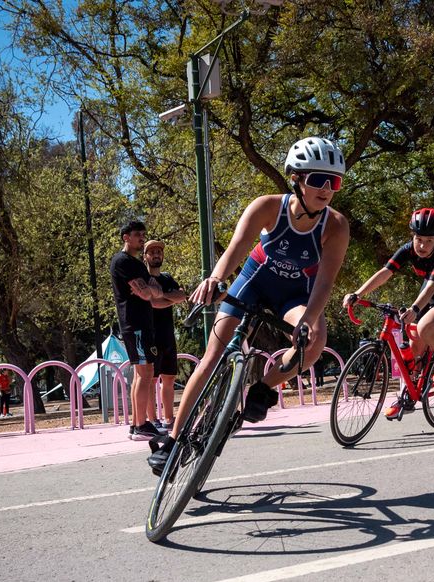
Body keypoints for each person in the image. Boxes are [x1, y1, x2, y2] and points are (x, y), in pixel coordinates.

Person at [147, 136, 350, 473]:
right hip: (253, 283)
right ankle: (173, 438)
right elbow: (235, 249)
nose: (326, 188)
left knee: (315, 340)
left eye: (335, 181)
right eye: (317, 179)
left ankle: (263, 389)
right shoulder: (268, 206)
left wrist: (308, 320)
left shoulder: (337, 226)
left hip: (295, 294)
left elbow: (325, 282)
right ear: (296, 178)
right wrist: (215, 279)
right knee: (213, 355)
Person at [344, 207, 434, 419]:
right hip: (430, 295)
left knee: (425, 327)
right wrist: (357, 293)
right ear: (412, 236)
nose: (422, 245)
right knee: (414, 345)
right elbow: (385, 273)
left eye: (429, 241)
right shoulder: (408, 249)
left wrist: (415, 309)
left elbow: (432, 286)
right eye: (418, 239)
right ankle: (410, 395)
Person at [109, 220, 166, 441]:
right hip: (135, 325)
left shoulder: (137, 264)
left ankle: (136, 424)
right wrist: (151, 289)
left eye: (143, 234)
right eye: (137, 235)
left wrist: (151, 289)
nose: (142, 238)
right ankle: (142, 425)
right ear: (126, 237)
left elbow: (156, 290)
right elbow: (147, 293)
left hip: (142, 324)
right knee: (145, 373)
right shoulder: (122, 261)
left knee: (140, 374)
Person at [143, 240, 188, 430]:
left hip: (168, 334)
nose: (156, 254)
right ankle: (153, 420)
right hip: (150, 335)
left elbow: (182, 296)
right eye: (152, 252)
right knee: (151, 380)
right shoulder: (143, 279)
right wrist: (169, 297)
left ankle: (170, 419)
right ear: (145, 256)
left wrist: (162, 294)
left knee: (169, 378)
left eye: (159, 251)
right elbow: (152, 302)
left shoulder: (167, 278)